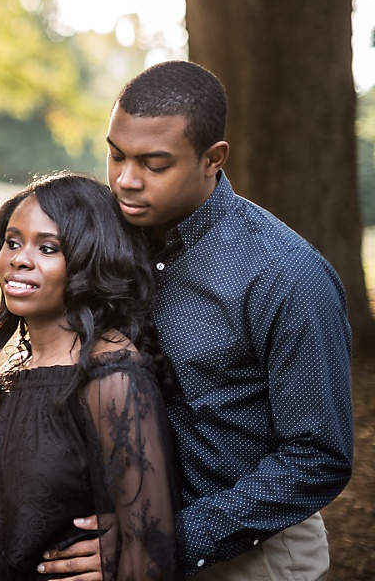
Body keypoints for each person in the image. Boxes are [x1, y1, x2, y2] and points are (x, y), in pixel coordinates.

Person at [38, 61, 354, 580]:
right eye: (116, 154)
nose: (124, 179)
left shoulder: (287, 275)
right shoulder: (109, 242)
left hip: (251, 554)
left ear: (213, 159)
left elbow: (317, 458)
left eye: (153, 164)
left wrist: (162, 541)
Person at [0, 172, 180, 581]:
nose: (19, 259)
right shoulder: (23, 368)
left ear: (89, 260)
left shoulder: (111, 378)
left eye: (48, 248)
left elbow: (149, 551)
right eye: (13, 241)